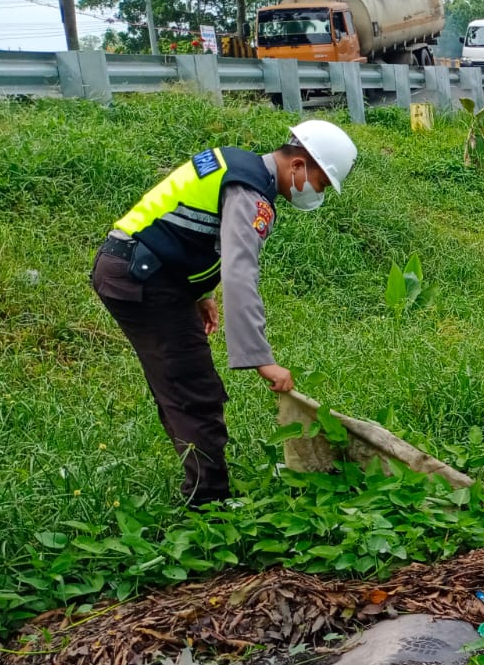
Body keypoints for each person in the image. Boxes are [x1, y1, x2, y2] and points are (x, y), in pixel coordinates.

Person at [92, 120, 358, 508]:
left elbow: (187, 229)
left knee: (182, 381)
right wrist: (261, 360)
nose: (316, 193)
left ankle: (205, 486)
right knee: (194, 388)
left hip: (142, 268)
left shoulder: (237, 165)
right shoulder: (252, 194)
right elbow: (240, 272)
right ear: (299, 165)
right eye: (320, 184)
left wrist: (201, 292)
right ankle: (208, 505)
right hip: (141, 278)